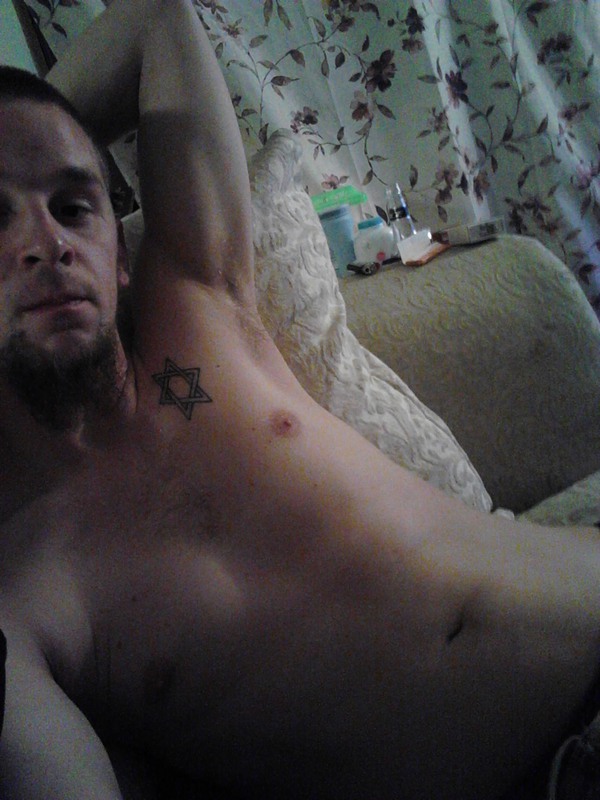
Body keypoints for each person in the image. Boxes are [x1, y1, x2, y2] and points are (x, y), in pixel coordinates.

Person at [0, 1, 599, 798]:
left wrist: (32, 135)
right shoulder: (25, 602)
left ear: (117, 254)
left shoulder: (196, 316)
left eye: (73, 206)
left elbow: (156, 24)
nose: (47, 242)